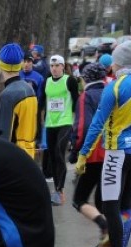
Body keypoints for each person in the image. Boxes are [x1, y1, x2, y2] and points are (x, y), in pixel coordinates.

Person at [77, 40, 131, 247]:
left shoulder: (116, 86)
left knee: (110, 207)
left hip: (117, 153)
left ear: (118, 61)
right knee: (125, 207)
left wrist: (83, 154)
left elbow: (97, 123)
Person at [69, 63, 111, 247]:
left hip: (93, 154)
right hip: (113, 152)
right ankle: (109, 241)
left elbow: (83, 127)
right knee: (103, 200)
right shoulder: (112, 91)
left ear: (85, 78)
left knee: (79, 199)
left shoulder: (86, 96)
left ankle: (105, 227)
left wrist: (76, 151)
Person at [38, 54, 80, 205]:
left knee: (58, 153)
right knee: (52, 155)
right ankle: (57, 189)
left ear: (63, 66)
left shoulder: (70, 81)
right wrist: (38, 121)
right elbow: (41, 102)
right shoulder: (46, 82)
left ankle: (60, 190)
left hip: (65, 122)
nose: (54, 69)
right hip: (50, 124)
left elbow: (77, 101)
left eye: (57, 66)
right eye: (52, 66)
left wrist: (76, 122)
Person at [0, 43, 38, 158]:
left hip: (13, 158)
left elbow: (3, 136)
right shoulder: (30, 90)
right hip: (29, 154)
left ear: (0, 65)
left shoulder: (7, 95)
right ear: (21, 64)